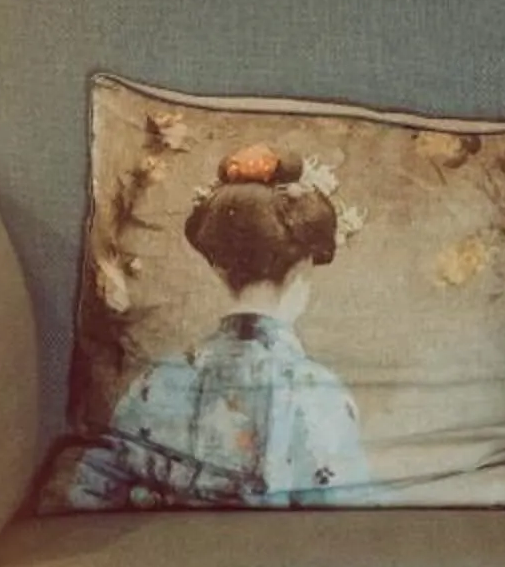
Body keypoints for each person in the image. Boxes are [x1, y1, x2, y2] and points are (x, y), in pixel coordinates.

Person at [57, 146, 374, 506]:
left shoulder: (157, 381)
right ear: (303, 267)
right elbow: (349, 516)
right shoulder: (317, 392)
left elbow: (92, 484)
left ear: (219, 267)